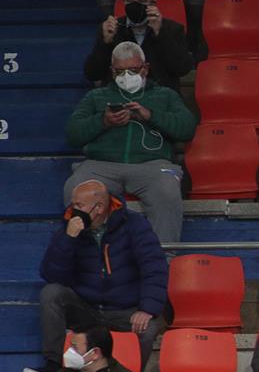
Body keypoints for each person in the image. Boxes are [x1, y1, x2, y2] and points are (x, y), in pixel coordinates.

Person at [32, 179, 168, 372]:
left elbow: (154, 267)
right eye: (73, 203)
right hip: (88, 308)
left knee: (147, 329)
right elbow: (53, 276)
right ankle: (53, 365)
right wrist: (67, 240)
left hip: (126, 310)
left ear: (99, 207)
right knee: (51, 293)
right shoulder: (68, 228)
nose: (73, 209)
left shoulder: (133, 224)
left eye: (79, 205)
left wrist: (147, 308)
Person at [65, 41, 197, 245]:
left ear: (145, 69)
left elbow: (187, 128)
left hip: (152, 166)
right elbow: (73, 134)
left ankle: (163, 257)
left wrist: (151, 115)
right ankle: (84, 253)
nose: (126, 76)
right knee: (75, 185)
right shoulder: (96, 96)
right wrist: (104, 121)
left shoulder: (165, 95)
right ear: (112, 71)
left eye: (133, 70)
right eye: (120, 71)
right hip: (102, 165)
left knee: (167, 190)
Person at [83, 0, 193, 91]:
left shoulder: (172, 29)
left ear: (153, 2)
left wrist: (160, 33)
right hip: (120, 97)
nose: (134, 5)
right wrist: (105, 42)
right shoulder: (111, 29)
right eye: (129, 0)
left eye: (142, 1)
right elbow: (92, 74)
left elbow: (181, 69)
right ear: (123, 0)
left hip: (159, 98)